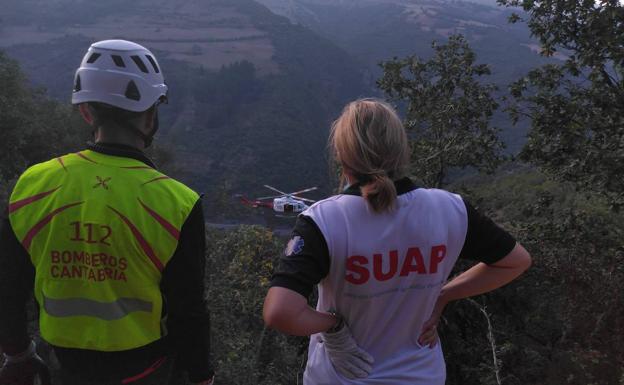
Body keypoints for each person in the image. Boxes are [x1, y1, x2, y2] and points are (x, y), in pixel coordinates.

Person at [263, 99, 532, 384]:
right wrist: (443, 295)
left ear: (342, 156)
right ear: (402, 150)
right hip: (420, 375)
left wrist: (333, 326)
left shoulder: (324, 220)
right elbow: (515, 262)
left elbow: (280, 312)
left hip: (342, 377)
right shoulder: (449, 209)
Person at [0, 40, 214, 385]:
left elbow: (8, 285)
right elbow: (189, 310)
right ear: (150, 115)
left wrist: (17, 353)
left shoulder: (32, 185)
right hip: (145, 370)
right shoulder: (178, 203)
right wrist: (202, 374)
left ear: (86, 112)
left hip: (61, 366)